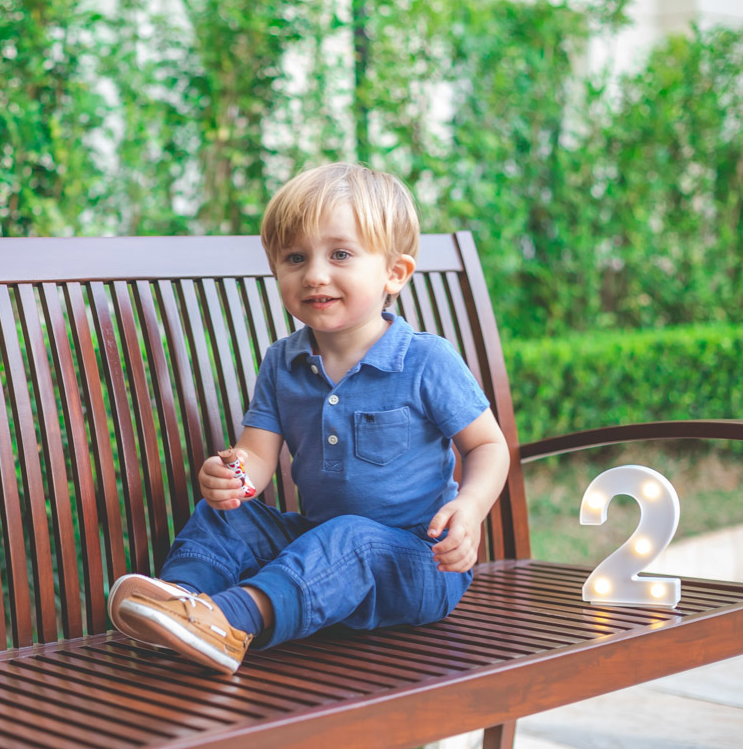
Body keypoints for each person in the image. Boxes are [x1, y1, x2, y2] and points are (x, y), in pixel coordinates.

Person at [107, 162, 511, 674]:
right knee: (230, 516)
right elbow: (257, 455)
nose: (315, 274)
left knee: (352, 537)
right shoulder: (284, 362)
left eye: (340, 254)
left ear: (394, 273)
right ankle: (180, 608)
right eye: (295, 257)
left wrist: (470, 509)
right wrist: (232, 478)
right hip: (319, 548)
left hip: (418, 564)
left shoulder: (425, 360)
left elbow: (488, 446)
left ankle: (230, 621)